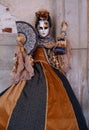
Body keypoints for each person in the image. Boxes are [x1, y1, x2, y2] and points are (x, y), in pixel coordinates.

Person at [0, 9, 88, 130]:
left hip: (54, 77)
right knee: (25, 101)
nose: (43, 31)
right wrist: (22, 48)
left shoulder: (53, 43)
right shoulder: (32, 43)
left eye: (45, 27)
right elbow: (24, 60)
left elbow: (60, 53)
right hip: (33, 75)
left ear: (50, 27)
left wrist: (63, 33)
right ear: (36, 27)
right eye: (40, 28)